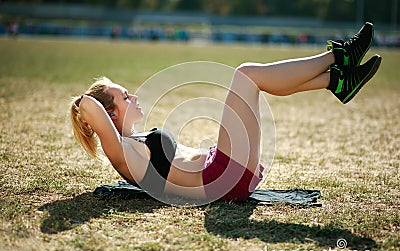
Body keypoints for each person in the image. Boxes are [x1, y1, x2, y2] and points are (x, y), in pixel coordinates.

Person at [70, 22, 381, 202]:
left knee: (250, 79)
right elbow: (87, 105)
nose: (134, 96)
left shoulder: (135, 142)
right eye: (124, 96)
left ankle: (337, 80)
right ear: (109, 115)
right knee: (246, 75)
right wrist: (85, 106)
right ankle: (337, 57)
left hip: (222, 169)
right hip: (221, 177)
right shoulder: (122, 151)